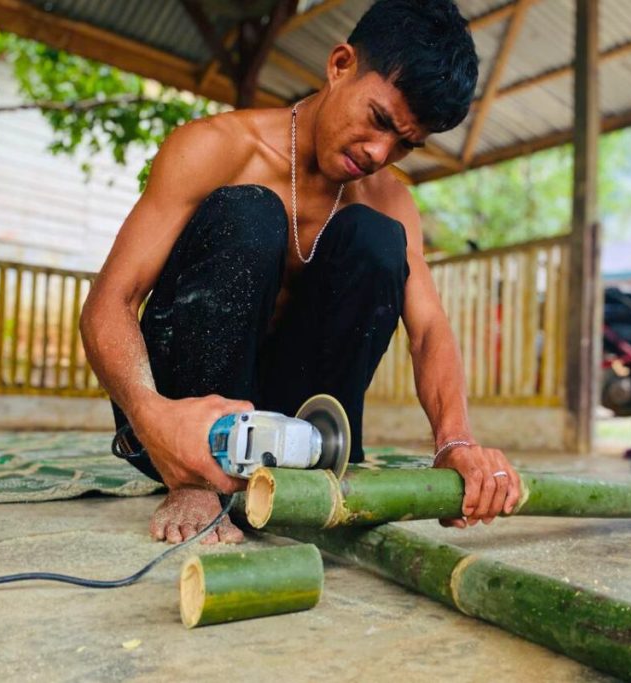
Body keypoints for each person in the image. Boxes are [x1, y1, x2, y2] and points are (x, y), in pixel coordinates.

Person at [81, 0, 522, 544]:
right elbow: (108, 303)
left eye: (405, 144)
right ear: (339, 66)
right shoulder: (216, 147)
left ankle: (310, 465)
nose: (380, 151)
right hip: (180, 417)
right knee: (251, 212)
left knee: (379, 240)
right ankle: (198, 475)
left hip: (292, 431)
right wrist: (152, 419)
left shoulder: (388, 201)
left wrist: (455, 442)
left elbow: (429, 329)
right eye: (379, 120)